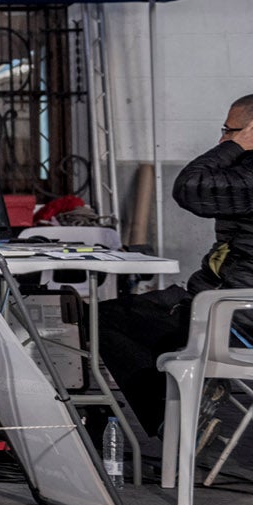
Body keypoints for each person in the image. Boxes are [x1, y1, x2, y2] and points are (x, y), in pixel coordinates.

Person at [99, 96, 253, 438]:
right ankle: (187, 400)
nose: (222, 139)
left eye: (230, 130)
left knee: (100, 319)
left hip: (233, 317)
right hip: (220, 303)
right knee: (144, 312)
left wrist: (236, 146)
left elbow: (190, 187)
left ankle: (176, 418)